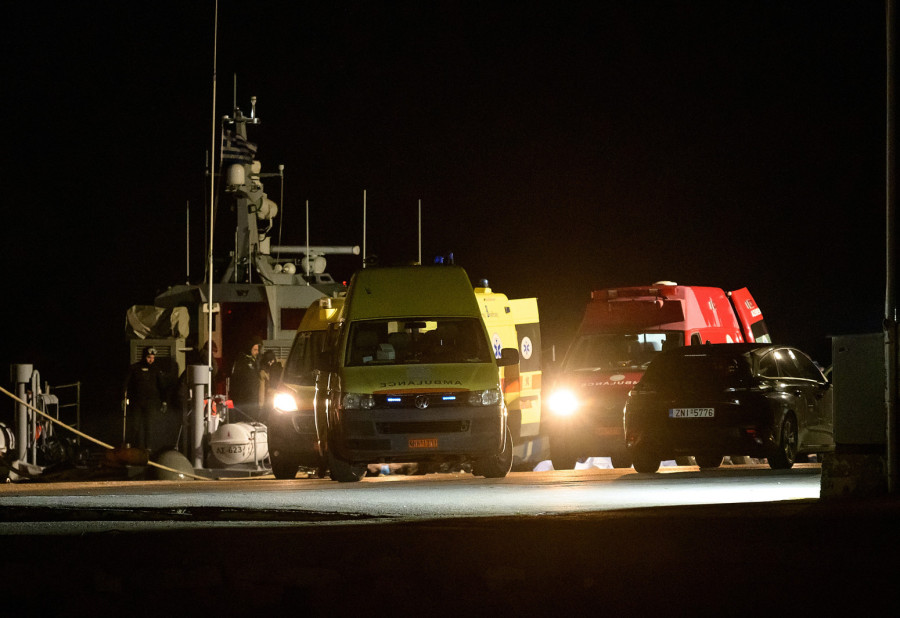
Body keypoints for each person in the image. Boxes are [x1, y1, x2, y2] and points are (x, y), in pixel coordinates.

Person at [123, 346, 168, 450]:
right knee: (135, 426)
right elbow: (125, 384)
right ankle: (134, 447)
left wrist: (164, 401)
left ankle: (148, 448)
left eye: (152, 357)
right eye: (149, 357)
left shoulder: (156, 369)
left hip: (151, 402)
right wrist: (123, 398)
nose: (151, 360)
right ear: (144, 356)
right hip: (136, 402)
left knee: (149, 426)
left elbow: (162, 386)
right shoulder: (134, 368)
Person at [230, 340, 261, 419]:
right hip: (245, 399)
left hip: (253, 398)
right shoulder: (242, 361)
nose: (257, 352)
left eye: (257, 350)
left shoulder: (254, 361)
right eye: (255, 350)